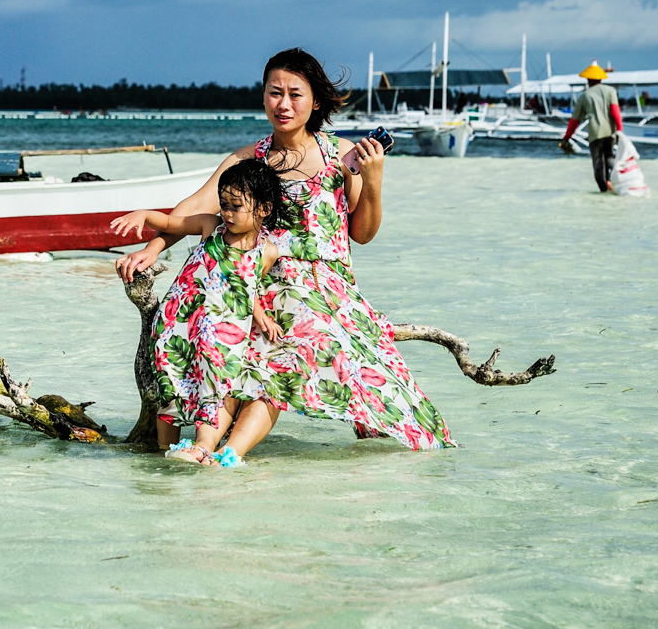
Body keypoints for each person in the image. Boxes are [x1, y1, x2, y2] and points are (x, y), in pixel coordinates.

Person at [114, 48, 454, 457]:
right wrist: (152, 248)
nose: (284, 104)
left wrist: (375, 178)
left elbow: (362, 233)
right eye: (275, 92)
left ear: (316, 101)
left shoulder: (339, 156)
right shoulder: (249, 158)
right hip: (254, 275)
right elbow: (197, 206)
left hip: (321, 284)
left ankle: (226, 453)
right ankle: (198, 447)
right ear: (262, 97)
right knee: (211, 336)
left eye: (296, 94)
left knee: (295, 350)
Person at [119, 159, 286, 468]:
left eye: (236, 206)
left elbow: (249, 286)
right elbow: (172, 224)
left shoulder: (267, 251)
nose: (227, 213)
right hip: (179, 321)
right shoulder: (212, 227)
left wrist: (261, 315)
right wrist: (145, 215)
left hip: (223, 332)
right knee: (170, 381)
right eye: (224, 204)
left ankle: (203, 446)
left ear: (263, 208)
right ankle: (164, 451)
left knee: (216, 384)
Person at [559, 63, 622, 193]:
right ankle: (613, 183)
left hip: (595, 134)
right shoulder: (611, 91)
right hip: (611, 132)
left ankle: (604, 191)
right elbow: (615, 112)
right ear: (601, 78)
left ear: (588, 80)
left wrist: (566, 138)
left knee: (598, 164)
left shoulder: (585, 96)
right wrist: (619, 130)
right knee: (610, 158)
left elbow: (575, 121)